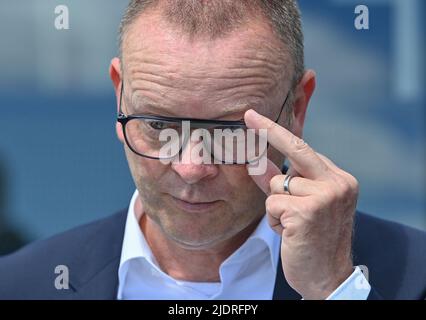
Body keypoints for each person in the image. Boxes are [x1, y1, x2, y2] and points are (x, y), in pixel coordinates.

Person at [0, 0, 425, 300]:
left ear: (296, 110)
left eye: (230, 132)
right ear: (120, 98)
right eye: (159, 125)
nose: (191, 167)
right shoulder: (20, 286)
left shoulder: (413, 274)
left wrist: (333, 292)